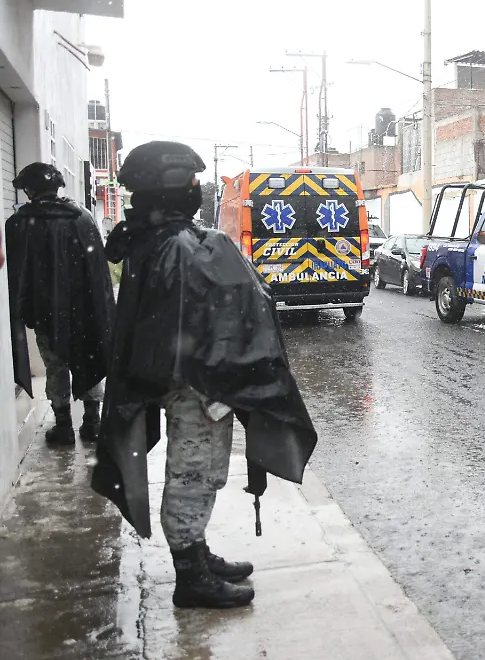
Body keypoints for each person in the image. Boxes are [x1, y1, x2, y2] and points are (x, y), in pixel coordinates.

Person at [91, 141, 318, 609]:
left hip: (195, 379)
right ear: (172, 188)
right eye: (193, 184)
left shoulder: (157, 239)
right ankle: (190, 576)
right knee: (194, 473)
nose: (198, 191)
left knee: (200, 470)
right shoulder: (175, 245)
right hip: (195, 385)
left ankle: (196, 551)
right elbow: (202, 316)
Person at [5, 163, 114, 445]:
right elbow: (97, 268)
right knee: (88, 359)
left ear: (30, 189)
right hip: (84, 308)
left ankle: (63, 425)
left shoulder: (19, 222)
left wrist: (24, 309)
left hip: (44, 311)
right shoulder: (82, 217)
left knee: (55, 366)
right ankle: (93, 421)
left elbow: (18, 272)